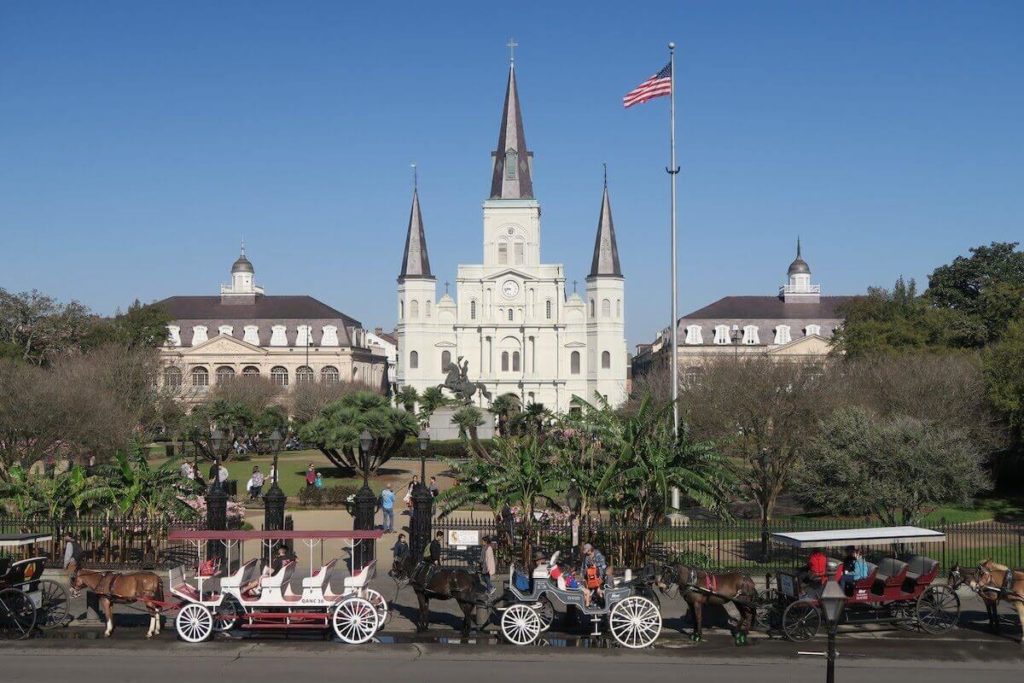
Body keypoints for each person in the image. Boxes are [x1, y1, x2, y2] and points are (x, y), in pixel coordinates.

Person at [63, 533, 83, 597]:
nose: (64, 537)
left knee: (72, 579)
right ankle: (77, 592)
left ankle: (75, 593)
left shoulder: (69, 544)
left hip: (72, 563)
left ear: (69, 537)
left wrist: (65, 565)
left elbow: (67, 556)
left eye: (65, 536)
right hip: (77, 562)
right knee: (76, 578)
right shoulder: (76, 543)